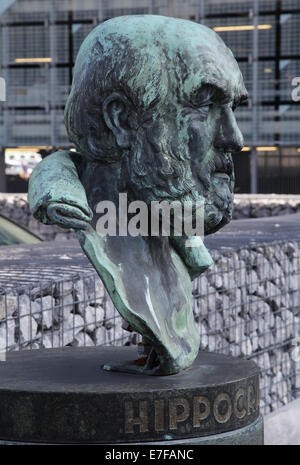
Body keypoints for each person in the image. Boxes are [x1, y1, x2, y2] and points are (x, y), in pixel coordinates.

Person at [29, 15, 247, 375]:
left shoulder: (170, 214)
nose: (234, 138)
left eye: (233, 108)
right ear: (122, 120)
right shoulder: (79, 196)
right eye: (204, 105)